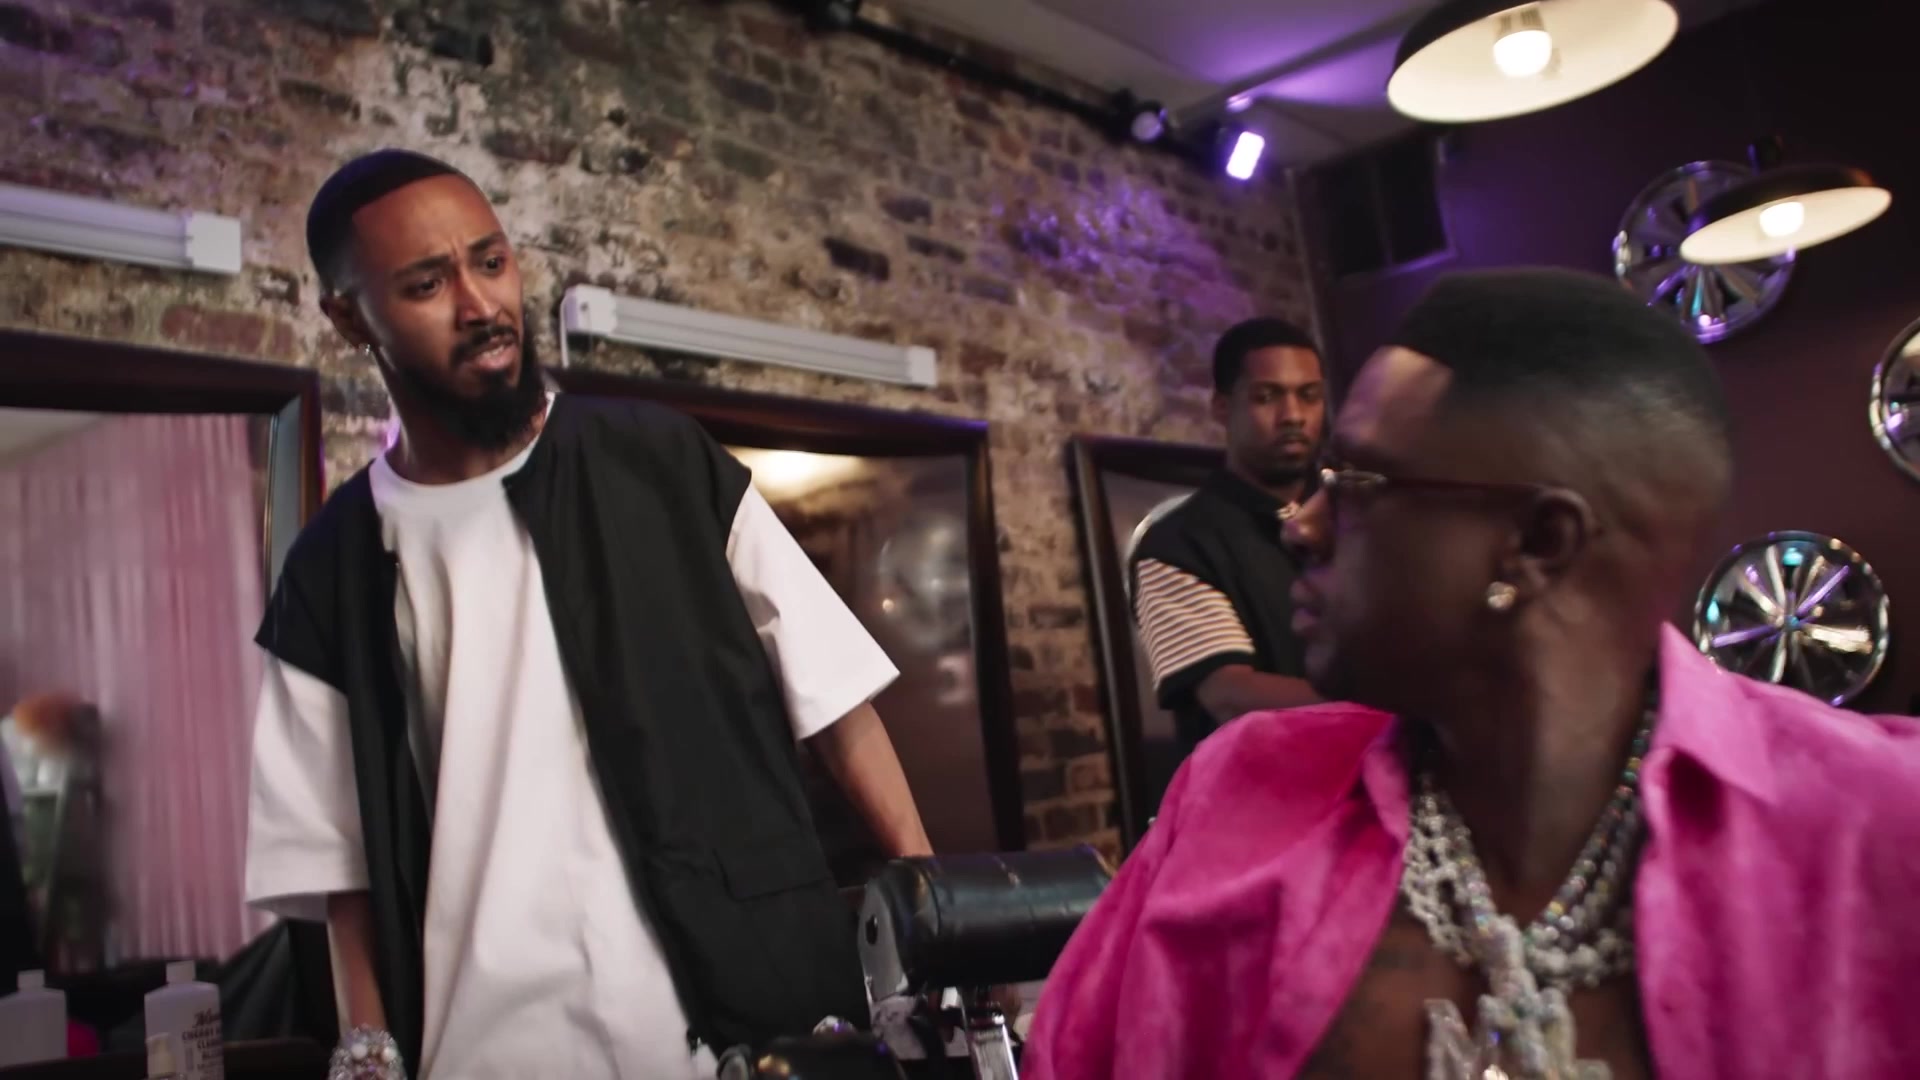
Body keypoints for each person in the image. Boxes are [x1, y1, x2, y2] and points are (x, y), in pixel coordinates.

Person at [1025, 268, 1920, 1079]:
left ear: (1537, 543)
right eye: (1271, 402)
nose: (1306, 526)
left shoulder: (1876, 827)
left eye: (1359, 482)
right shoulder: (1233, 796)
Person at [243, 149, 933, 1080]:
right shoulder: (330, 570)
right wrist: (367, 1053)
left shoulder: (662, 462)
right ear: (348, 317)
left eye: (491, 262)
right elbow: (342, 870)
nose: (481, 305)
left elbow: (839, 707)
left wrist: (940, 921)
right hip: (490, 1051)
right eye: (427, 284)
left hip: (752, 1029)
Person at [1130, 318, 1327, 751]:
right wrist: (1395, 707)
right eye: (1267, 396)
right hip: (1261, 785)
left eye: (1309, 395)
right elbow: (1229, 696)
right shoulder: (1175, 543)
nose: (1293, 416)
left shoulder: (1354, 517)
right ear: (1222, 408)